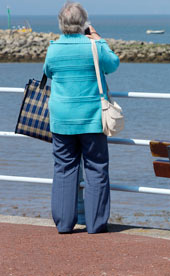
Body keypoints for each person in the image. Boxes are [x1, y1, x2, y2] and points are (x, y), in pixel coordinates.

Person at [43, 2, 119, 234]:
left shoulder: (53, 48)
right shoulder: (93, 46)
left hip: (62, 118)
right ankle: (95, 224)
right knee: (96, 167)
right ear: (84, 23)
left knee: (64, 168)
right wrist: (98, 37)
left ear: (61, 23)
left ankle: (64, 224)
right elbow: (113, 64)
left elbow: (48, 72)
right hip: (92, 117)